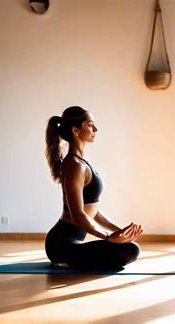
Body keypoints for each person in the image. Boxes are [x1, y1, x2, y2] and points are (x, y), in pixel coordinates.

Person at [44, 106, 143, 270]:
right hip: (61, 244)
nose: (95, 129)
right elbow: (78, 215)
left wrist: (120, 233)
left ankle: (72, 262)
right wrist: (108, 237)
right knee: (131, 251)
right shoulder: (74, 165)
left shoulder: (83, 162)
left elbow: (93, 211)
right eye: (90, 125)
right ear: (76, 130)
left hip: (72, 242)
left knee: (130, 246)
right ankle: (69, 261)